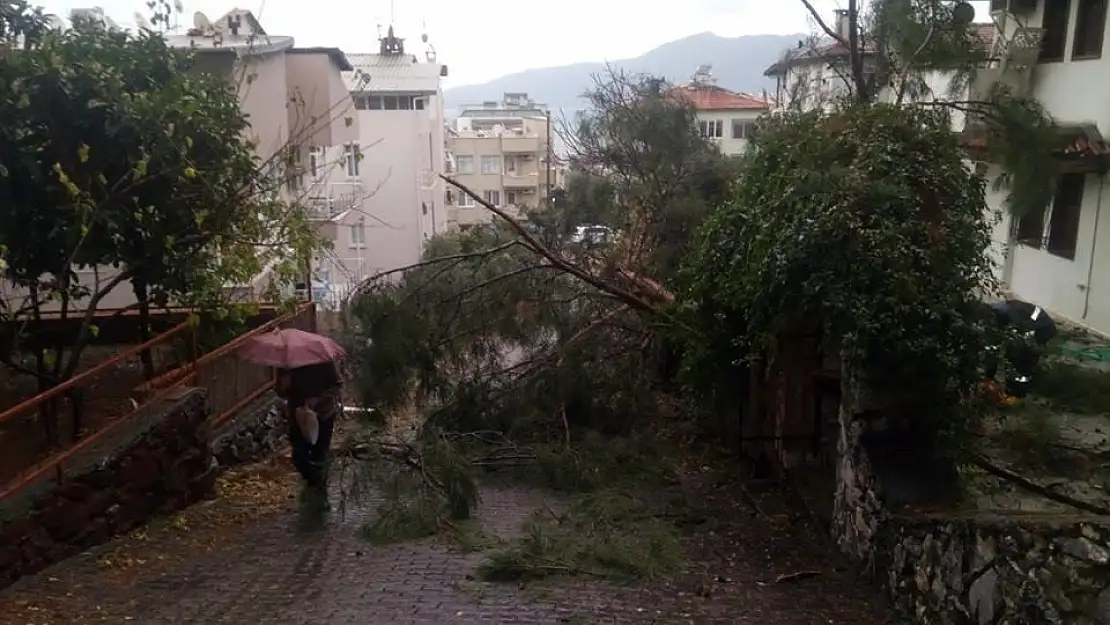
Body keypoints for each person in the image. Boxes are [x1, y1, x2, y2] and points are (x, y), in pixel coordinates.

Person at [275, 361, 342, 508]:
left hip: (323, 414)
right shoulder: (287, 363)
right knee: (299, 456)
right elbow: (279, 390)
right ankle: (314, 482)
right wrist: (284, 386)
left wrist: (318, 400)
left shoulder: (324, 361)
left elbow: (336, 385)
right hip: (299, 416)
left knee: (320, 453)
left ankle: (321, 493)